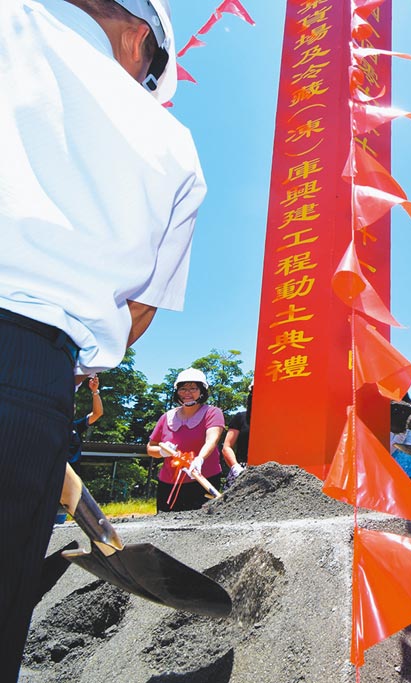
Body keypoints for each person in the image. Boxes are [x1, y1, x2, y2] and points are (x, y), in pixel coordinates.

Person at [0, 0, 203, 676]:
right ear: (138, 37)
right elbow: (138, 314)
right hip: (32, 373)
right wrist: (80, 362)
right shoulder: (174, 147)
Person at [147, 369, 225, 511]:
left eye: (193, 388)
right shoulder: (166, 417)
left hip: (202, 479)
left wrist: (199, 459)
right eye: (183, 389)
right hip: (168, 483)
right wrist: (162, 452)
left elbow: (212, 440)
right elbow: (150, 448)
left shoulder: (212, 413)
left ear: (202, 391)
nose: (187, 393)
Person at [55, 375, 106, 523]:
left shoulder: (76, 426)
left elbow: (97, 413)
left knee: (59, 524)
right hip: (50, 479)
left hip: (69, 482)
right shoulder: (48, 425)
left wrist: (95, 392)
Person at [221, 382, 250, 487]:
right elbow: (227, 447)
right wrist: (235, 467)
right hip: (241, 469)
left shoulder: (278, 419)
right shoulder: (241, 417)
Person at [389, 393, 411, 482]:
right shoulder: (410, 408)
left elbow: (406, 440)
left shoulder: (404, 409)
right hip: (407, 457)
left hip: (399, 460)